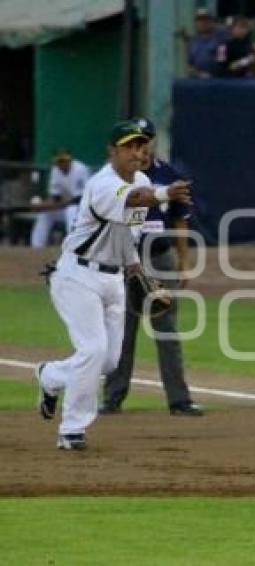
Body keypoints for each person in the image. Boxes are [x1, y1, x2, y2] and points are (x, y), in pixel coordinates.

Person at [34, 121, 192, 450]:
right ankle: (72, 430)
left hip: (113, 278)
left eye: (141, 145)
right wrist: (164, 194)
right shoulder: (104, 184)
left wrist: (137, 270)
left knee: (108, 362)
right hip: (78, 276)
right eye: (130, 146)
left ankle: (50, 376)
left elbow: (126, 233)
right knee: (92, 351)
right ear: (113, 152)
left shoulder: (144, 179)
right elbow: (136, 199)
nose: (138, 151)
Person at [100, 118, 202, 417]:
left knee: (167, 329)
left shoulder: (169, 173)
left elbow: (181, 219)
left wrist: (184, 263)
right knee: (124, 330)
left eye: (146, 141)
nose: (141, 148)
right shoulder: (116, 178)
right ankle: (113, 397)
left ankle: (179, 400)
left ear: (153, 143)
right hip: (125, 260)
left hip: (160, 257)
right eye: (136, 142)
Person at [30, 149, 90, 249]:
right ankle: (36, 247)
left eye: (64, 160)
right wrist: (42, 206)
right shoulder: (56, 170)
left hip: (83, 208)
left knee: (71, 211)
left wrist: (47, 205)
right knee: (45, 214)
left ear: (70, 160)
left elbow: (79, 199)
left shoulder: (81, 169)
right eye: (59, 161)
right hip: (65, 206)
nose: (62, 163)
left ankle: (73, 247)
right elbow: (55, 197)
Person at [187, 8, 229, 79]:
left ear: (212, 22)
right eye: (199, 20)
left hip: (218, 81)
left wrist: (212, 74)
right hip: (198, 81)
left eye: (206, 20)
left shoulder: (221, 40)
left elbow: (223, 63)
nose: (203, 23)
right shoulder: (193, 42)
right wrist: (198, 73)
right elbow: (190, 65)